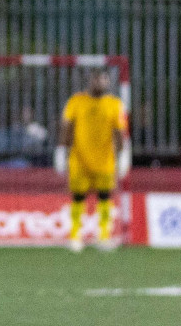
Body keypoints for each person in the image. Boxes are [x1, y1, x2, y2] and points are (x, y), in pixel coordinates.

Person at [55, 70, 129, 252]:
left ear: (108, 82)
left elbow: (120, 132)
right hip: (79, 159)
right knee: (78, 197)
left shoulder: (115, 104)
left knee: (105, 196)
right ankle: (75, 236)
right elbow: (67, 126)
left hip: (105, 159)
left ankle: (103, 236)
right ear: (90, 81)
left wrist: (124, 154)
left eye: (104, 79)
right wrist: (61, 149)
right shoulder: (76, 101)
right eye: (97, 79)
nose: (100, 82)